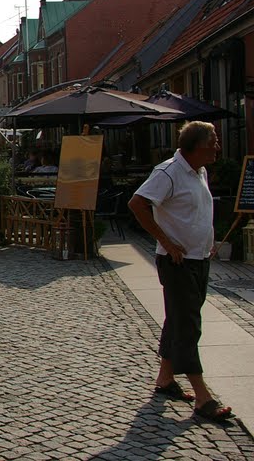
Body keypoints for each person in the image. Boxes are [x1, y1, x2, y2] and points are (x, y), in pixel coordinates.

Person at [128, 121, 233, 422]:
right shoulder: (169, 172)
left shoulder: (199, 171)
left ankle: (165, 378)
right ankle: (203, 397)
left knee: (177, 318)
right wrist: (166, 241)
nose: (217, 146)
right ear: (197, 144)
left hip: (198, 259)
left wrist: (206, 242)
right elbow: (136, 204)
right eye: (213, 140)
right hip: (177, 263)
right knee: (188, 324)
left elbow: (194, 213)